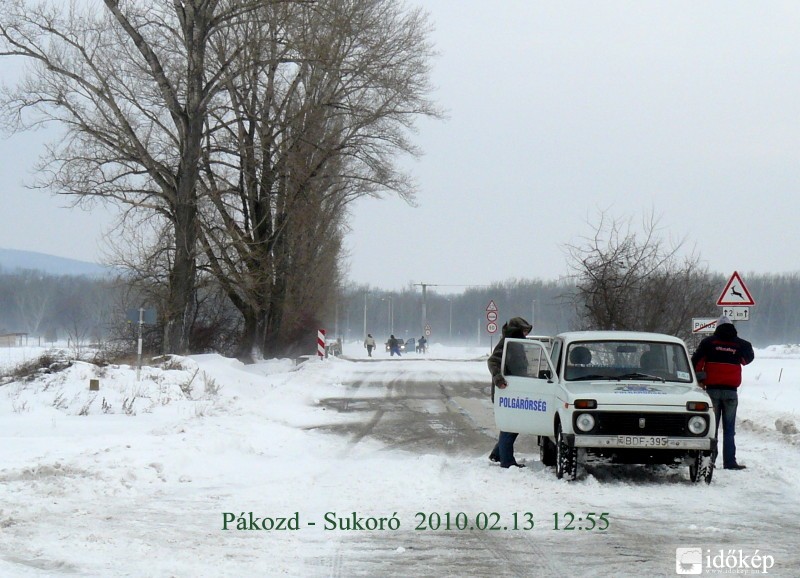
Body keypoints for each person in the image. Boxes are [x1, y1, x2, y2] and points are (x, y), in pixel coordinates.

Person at [691, 315, 755, 470]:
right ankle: (730, 462)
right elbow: (747, 359)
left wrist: (701, 379)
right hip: (731, 393)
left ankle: (710, 460)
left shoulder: (708, 343)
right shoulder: (739, 345)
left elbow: (696, 363)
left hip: (712, 391)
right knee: (729, 429)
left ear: (717, 328)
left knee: (711, 427)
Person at [487, 316, 532, 468]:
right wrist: (499, 379)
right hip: (505, 390)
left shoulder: (516, 343)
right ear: (517, 331)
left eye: (527, 331)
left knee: (512, 424)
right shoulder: (507, 343)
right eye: (524, 331)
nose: (526, 334)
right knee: (510, 426)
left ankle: (497, 454)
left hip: (513, 389)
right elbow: (493, 361)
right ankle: (507, 461)